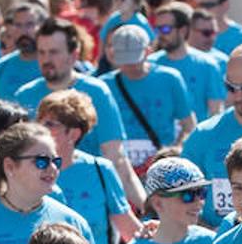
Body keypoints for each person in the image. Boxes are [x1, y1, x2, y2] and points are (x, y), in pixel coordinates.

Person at [14, 17, 144, 208]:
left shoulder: (97, 93)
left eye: (54, 52)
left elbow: (116, 157)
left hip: (89, 200)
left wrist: (145, 206)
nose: (46, 59)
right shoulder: (24, 96)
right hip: (39, 200)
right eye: (42, 52)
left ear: (74, 55)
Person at [181, 42, 242, 224]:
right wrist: (215, 238)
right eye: (231, 88)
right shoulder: (204, 135)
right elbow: (178, 202)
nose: (239, 96)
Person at [36, 90, 139, 244]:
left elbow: (128, 228)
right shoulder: (30, 168)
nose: (40, 129)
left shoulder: (101, 169)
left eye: (50, 124)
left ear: (73, 134)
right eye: (39, 122)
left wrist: (153, 236)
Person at [100, 25, 195, 169]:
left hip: (161, 165)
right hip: (120, 166)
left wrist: (175, 151)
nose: (129, 65)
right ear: (112, 54)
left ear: (148, 51)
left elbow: (189, 125)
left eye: (133, 59)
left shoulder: (169, 78)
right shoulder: (103, 85)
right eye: (124, 59)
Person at [150, 3, 223, 120]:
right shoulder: (150, 64)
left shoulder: (207, 65)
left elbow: (215, 112)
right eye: (157, 29)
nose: (160, 35)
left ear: (183, 30)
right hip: (160, 137)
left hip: (195, 136)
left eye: (166, 29)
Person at [0, 3, 46, 100]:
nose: (23, 31)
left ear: (42, 27)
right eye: (18, 25)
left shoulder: (54, 67)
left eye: (29, 24)